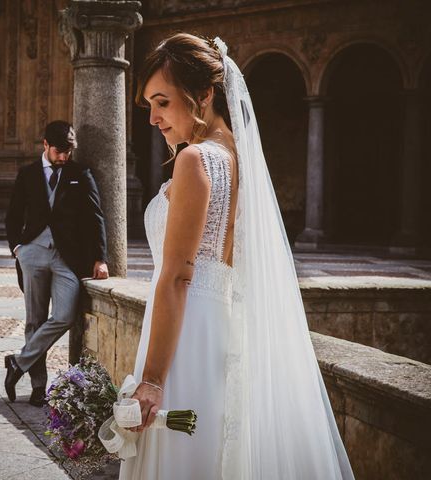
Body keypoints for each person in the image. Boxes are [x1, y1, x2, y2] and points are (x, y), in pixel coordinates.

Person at [119, 34, 354, 479]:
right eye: (149, 104)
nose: (152, 118)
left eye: (162, 102)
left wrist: (150, 380)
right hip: (222, 329)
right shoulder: (241, 159)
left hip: (185, 336)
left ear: (204, 95)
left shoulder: (195, 161)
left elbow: (176, 278)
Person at [4, 120, 109, 407]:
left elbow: (95, 215)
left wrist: (101, 258)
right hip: (33, 253)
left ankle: (18, 363)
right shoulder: (27, 175)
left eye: (68, 152)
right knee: (34, 320)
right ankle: (39, 387)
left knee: (64, 315)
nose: (64, 157)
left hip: (67, 257)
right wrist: (18, 249)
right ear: (45, 146)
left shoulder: (79, 173)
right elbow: (13, 215)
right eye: (59, 151)